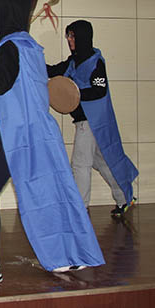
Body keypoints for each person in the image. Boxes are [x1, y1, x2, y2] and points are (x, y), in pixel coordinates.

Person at [0, 0, 104, 286]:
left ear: (8, 11)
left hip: (17, 137)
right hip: (39, 134)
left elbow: (0, 83)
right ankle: (68, 254)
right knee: (52, 194)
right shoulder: (28, 45)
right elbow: (12, 81)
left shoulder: (10, 46)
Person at [47, 20, 138, 217]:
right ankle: (124, 196)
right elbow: (52, 71)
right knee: (101, 161)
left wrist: (75, 93)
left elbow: (99, 90)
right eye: (68, 36)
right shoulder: (73, 62)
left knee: (80, 163)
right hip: (84, 121)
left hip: (92, 122)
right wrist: (29, 62)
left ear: (83, 37)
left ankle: (79, 209)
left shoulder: (95, 62)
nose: (70, 40)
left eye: (73, 36)